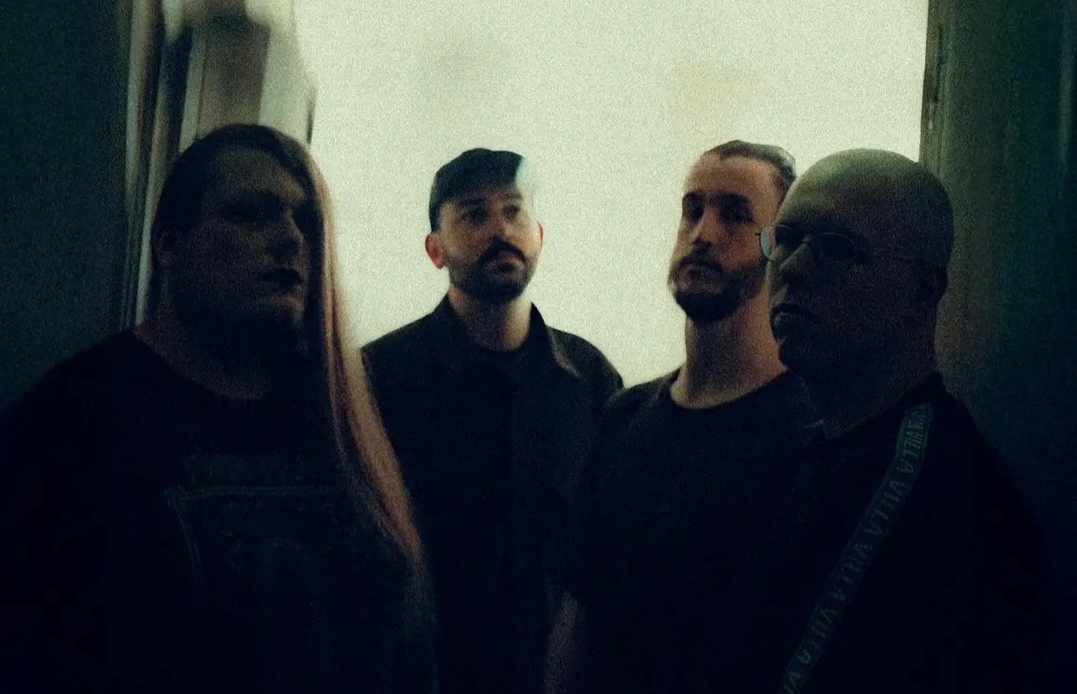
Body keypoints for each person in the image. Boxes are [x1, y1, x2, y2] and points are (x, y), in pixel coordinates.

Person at [0, 124, 435, 694]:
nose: (289, 239)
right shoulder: (72, 419)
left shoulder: (341, 417)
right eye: (250, 214)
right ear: (169, 246)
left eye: (305, 221)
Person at [756, 148, 1044, 692]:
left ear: (922, 292)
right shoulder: (798, 448)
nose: (792, 267)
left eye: (838, 248)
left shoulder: (938, 491)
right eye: (786, 238)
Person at [546, 141, 818, 694]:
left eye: (734, 214)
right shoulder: (625, 416)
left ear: (780, 247)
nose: (703, 233)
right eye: (692, 210)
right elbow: (579, 614)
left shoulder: (811, 431)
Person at [363, 148, 622, 694]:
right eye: (474, 214)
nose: (500, 229)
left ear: (540, 235)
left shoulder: (592, 382)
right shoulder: (377, 379)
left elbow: (607, 560)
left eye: (514, 210)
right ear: (435, 249)